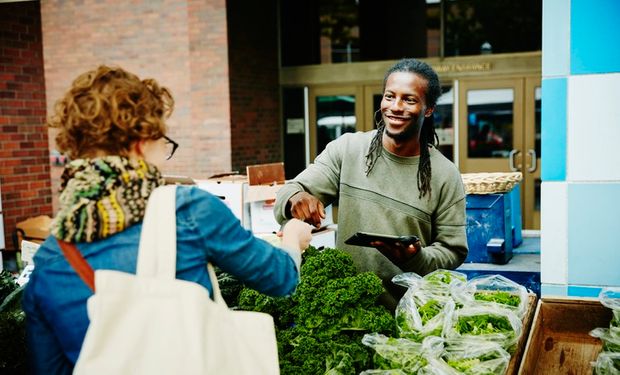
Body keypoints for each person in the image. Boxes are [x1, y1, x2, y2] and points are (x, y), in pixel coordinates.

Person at [22, 65, 313, 374]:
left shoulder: (51, 256)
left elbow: (49, 368)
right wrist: (293, 238)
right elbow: (280, 279)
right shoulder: (187, 211)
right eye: (163, 142)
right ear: (140, 143)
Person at [274, 58, 468, 309]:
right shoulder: (348, 149)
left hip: (410, 314)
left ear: (428, 109)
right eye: (389, 96)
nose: (395, 107)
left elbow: (453, 251)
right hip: (345, 311)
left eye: (409, 100)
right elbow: (289, 192)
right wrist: (295, 200)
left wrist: (416, 259)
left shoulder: (445, 174)